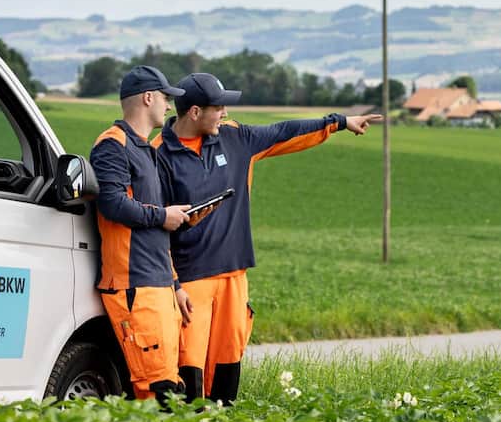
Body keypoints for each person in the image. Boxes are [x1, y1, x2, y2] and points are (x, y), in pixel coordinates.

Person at [153, 72, 381, 403]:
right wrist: (173, 283)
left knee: (229, 353)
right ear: (195, 112)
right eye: (219, 108)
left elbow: (283, 132)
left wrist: (340, 123)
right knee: (189, 358)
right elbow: (152, 229)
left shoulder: (235, 138)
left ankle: (223, 420)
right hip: (190, 279)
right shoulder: (158, 155)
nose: (225, 113)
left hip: (234, 274)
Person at [90, 65, 193, 404]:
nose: (168, 105)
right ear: (148, 98)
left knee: (169, 384)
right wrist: (163, 216)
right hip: (134, 284)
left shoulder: (147, 150)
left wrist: (175, 285)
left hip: (158, 285)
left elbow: (155, 226)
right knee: (156, 390)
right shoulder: (112, 145)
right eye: (165, 97)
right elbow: (113, 204)